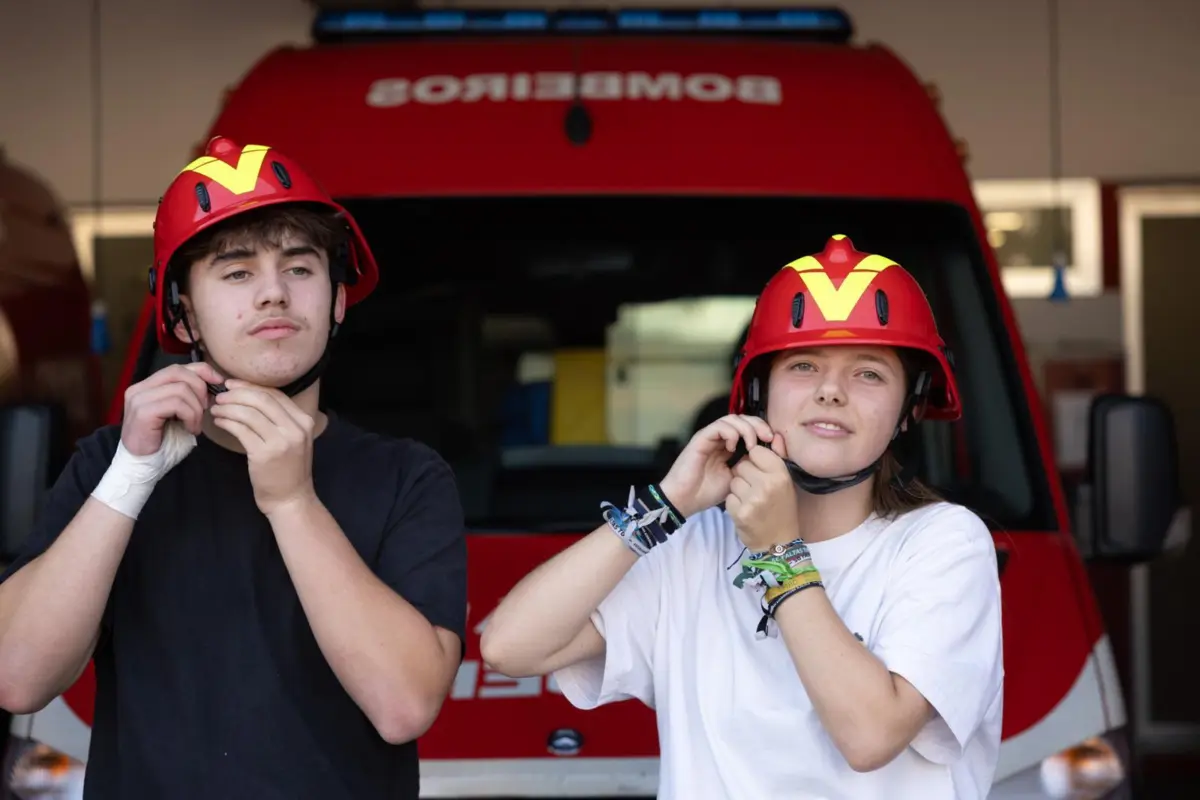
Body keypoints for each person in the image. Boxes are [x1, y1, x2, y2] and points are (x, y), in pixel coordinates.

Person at [0, 137, 467, 799]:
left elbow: (404, 706)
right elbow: (17, 679)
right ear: (183, 312)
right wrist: (130, 480)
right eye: (236, 272)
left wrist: (293, 501)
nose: (273, 294)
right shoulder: (108, 464)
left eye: (300, 269)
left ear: (337, 299)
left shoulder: (408, 478)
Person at [481, 234, 1004, 799]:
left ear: (908, 408)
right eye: (804, 366)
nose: (831, 391)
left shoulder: (943, 543)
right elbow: (509, 647)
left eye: (869, 373)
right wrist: (665, 506)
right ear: (759, 394)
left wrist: (779, 553)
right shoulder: (693, 544)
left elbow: (870, 736)